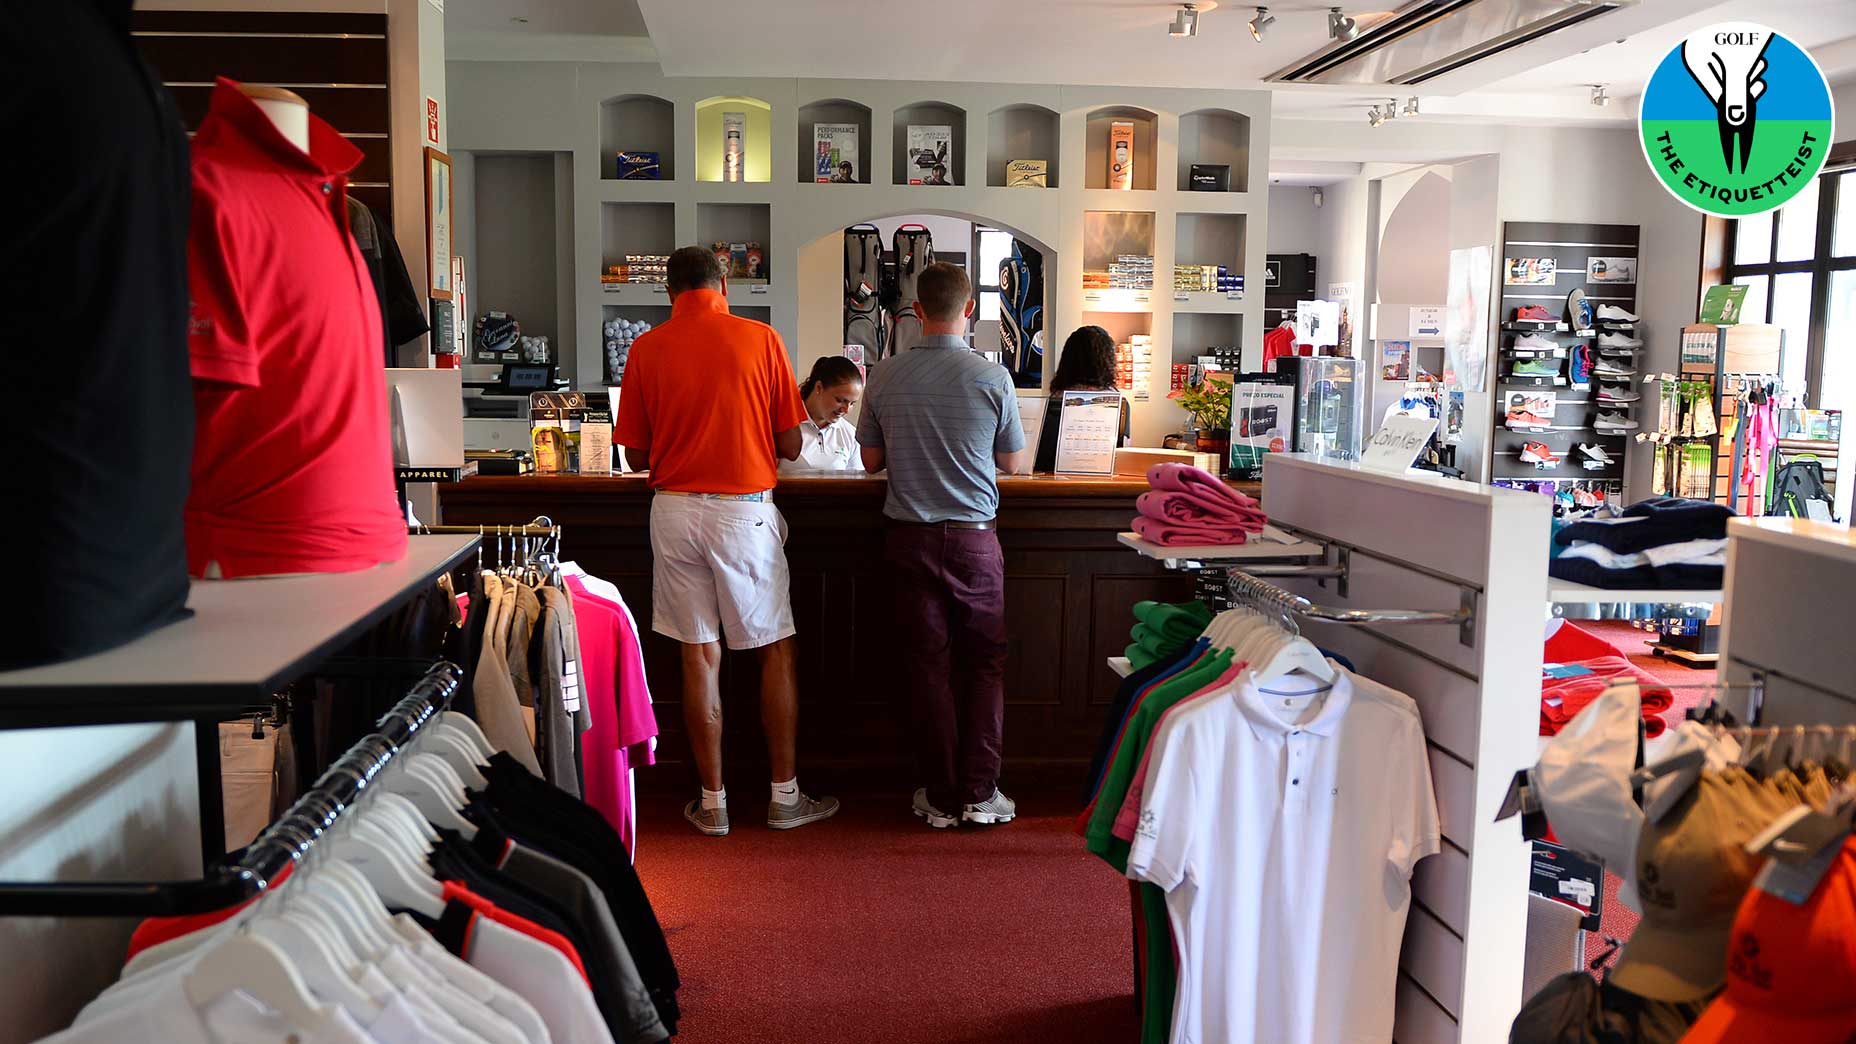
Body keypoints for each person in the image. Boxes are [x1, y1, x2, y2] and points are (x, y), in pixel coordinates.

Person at [614, 245, 839, 837]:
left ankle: (713, 805)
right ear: (725, 287)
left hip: (672, 511)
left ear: (669, 293)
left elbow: (635, 455)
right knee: (774, 649)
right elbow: (791, 446)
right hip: (744, 512)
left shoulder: (646, 347)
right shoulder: (760, 339)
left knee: (698, 651)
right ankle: (783, 797)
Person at [856, 262, 1027, 829]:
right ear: (969, 310)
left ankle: (939, 794)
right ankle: (981, 793)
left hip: (909, 537)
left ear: (917, 311)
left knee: (927, 667)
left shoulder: (883, 374)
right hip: (976, 540)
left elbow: (871, 462)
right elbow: (1011, 462)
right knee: (984, 666)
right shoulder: (992, 376)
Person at [1035, 326, 1130, 472]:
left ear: (1067, 361)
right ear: (1108, 361)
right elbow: (1123, 453)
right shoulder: (1119, 404)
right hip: (1102, 481)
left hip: (1050, 482)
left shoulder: (1052, 402)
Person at [782, 356, 864, 473]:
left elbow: (858, 485)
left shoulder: (851, 435)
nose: (846, 410)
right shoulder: (783, 424)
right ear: (819, 387)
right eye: (840, 400)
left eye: (852, 403)